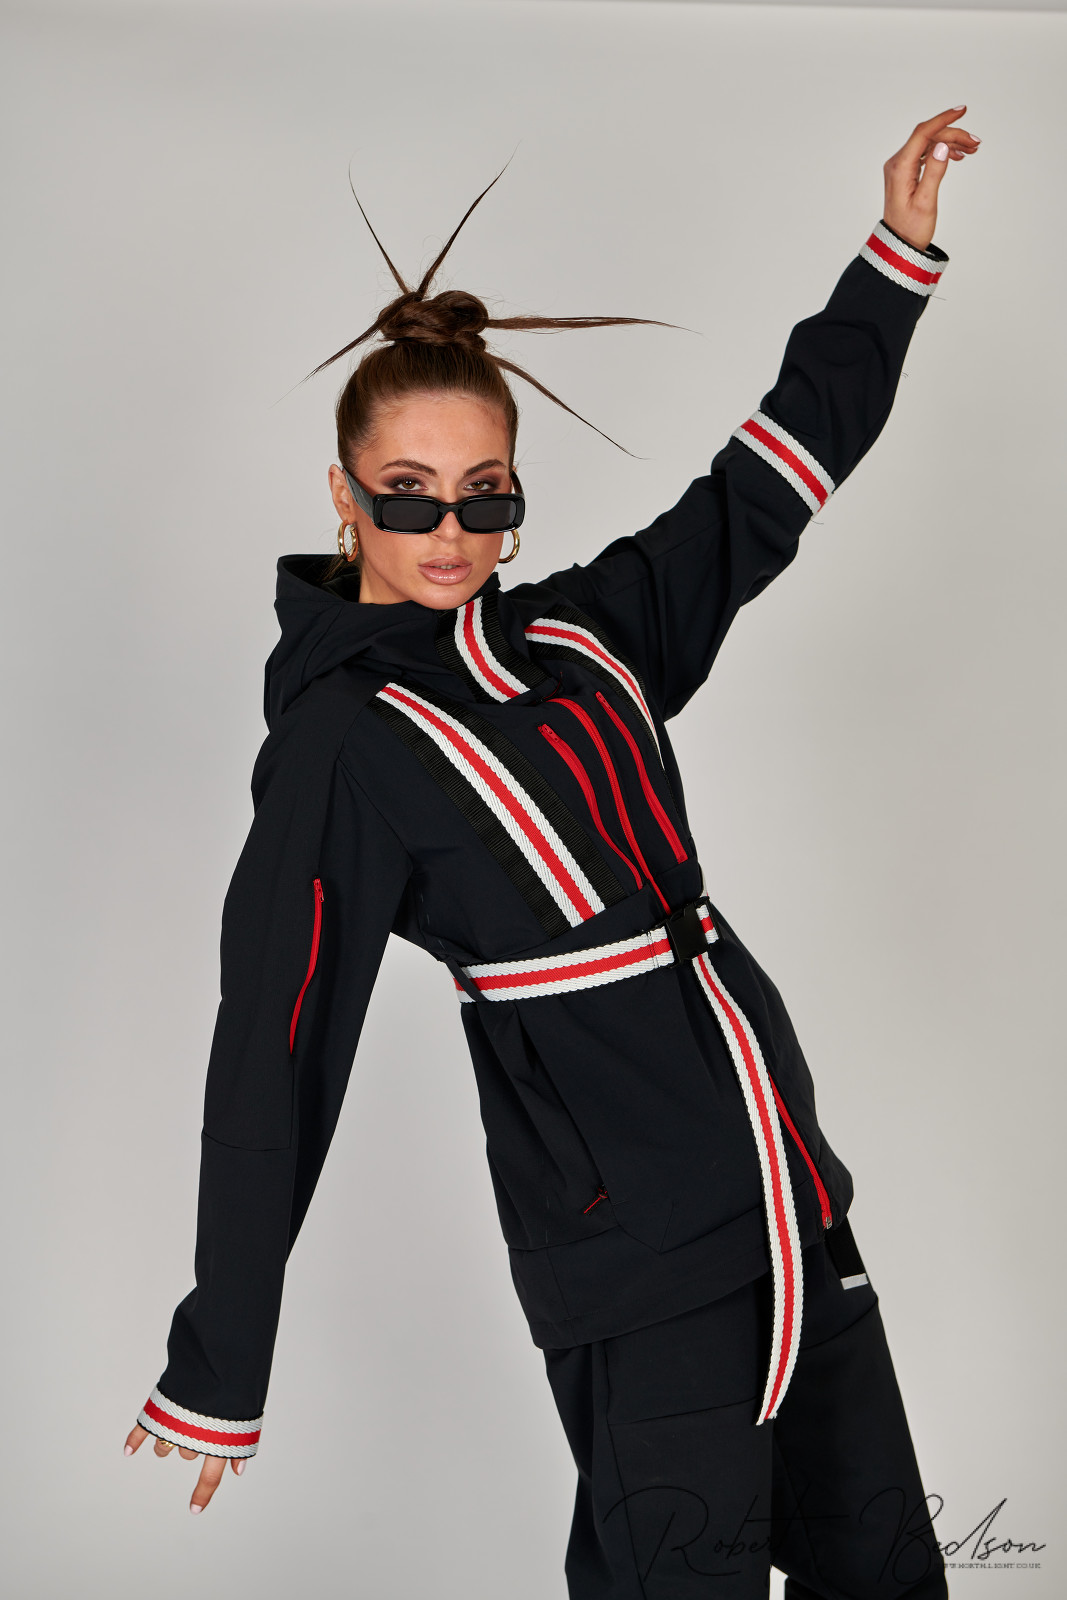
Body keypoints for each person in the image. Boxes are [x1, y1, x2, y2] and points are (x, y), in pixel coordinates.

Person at [125, 108, 979, 1598]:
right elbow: (274, 1050)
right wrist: (221, 1356)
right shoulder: (340, 742)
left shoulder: (584, 634)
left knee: (890, 1576)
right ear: (344, 493)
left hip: (790, 1194)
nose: (446, 527)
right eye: (406, 492)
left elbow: (768, 483)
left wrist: (894, 257)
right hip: (630, 1256)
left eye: (485, 493)